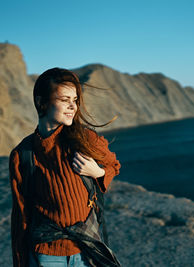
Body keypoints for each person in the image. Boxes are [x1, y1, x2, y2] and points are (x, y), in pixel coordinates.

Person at [9, 67, 122, 267]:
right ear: (41, 102)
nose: (73, 106)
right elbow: (21, 216)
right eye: (64, 100)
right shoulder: (22, 155)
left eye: (75, 100)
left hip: (86, 249)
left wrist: (98, 172)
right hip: (46, 254)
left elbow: (114, 165)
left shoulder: (85, 139)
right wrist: (20, 262)